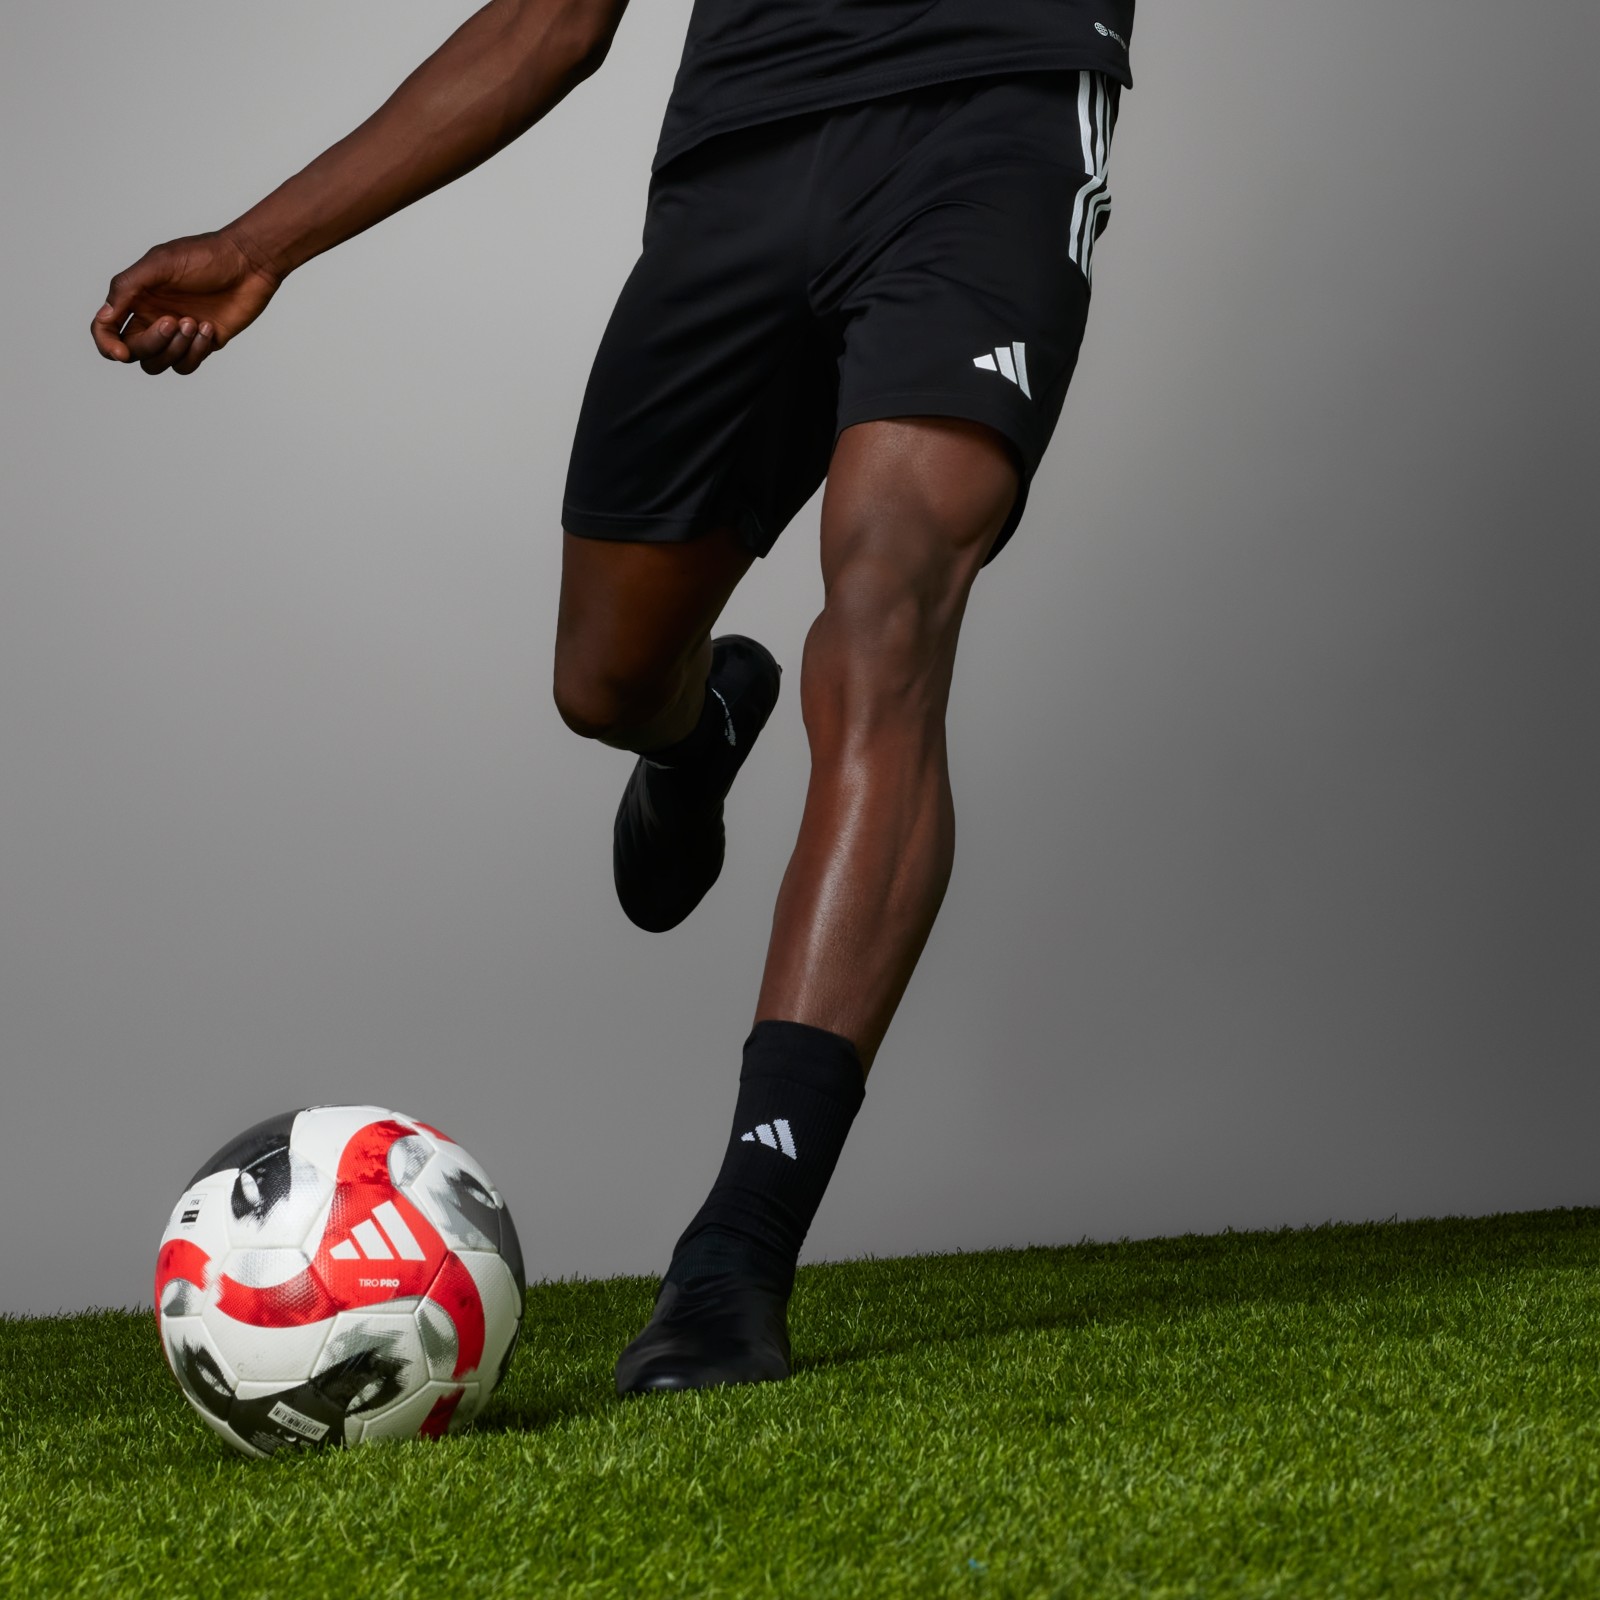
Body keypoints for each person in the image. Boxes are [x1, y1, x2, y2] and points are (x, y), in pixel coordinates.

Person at [91, 0, 1135, 1395]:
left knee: (890, 613)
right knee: (606, 677)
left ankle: (736, 1252)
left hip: (991, 112)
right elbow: (554, 22)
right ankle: (698, 731)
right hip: (748, 139)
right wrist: (258, 244)